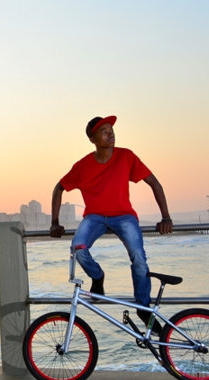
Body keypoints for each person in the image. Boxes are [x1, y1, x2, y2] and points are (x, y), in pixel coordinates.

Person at [50, 115, 173, 332]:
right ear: (92, 138)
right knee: (78, 248)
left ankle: (143, 307)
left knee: (138, 257)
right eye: (104, 131)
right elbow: (58, 188)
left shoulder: (126, 156)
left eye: (111, 129)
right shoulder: (83, 165)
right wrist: (55, 222)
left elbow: (154, 182)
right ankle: (98, 276)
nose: (111, 133)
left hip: (124, 216)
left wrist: (166, 217)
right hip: (95, 217)